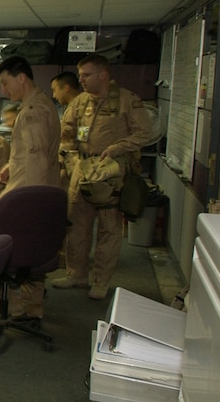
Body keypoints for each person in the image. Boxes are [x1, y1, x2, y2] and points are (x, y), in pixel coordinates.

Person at [52, 54, 154, 300]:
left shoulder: (128, 101)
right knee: (76, 225)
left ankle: (100, 280)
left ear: (103, 75)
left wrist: (119, 147)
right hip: (82, 167)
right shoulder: (79, 103)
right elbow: (66, 132)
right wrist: (69, 156)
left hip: (111, 171)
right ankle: (76, 274)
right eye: (80, 75)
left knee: (109, 229)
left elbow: (146, 133)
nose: (81, 80)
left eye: (86, 75)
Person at [0, 56, 60, 320]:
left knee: (7, 244)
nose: (3, 90)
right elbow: (35, 153)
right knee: (34, 251)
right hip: (39, 191)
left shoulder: (32, 112)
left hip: (28, 195)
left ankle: (18, 308)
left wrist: (16, 201)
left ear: (22, 78)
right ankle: (33, 307)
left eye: (5, 83)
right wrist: (12, 164)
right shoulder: (42, 105)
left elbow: (36, 162)